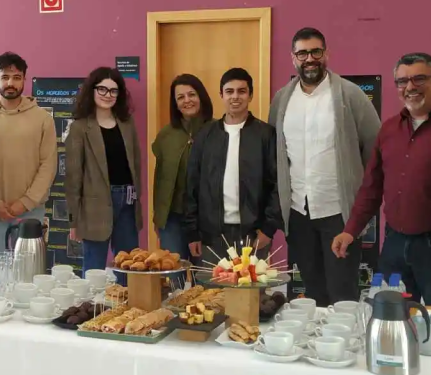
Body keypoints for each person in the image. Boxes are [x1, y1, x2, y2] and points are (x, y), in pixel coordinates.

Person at [331, 53, 431, 315]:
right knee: (389, 317)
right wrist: (350, 230)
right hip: (394, 245)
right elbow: (372, 186)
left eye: (419, 79)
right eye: (402, 81)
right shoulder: (389, 129)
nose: (410, 87)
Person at [269, 27, 381, 307]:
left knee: (342, 293)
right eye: (302, 53)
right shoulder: (282, 100)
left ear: (326, 54)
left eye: (316, 51)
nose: (310, 58)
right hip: (298, 212)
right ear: (293, 58)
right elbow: (275, 153)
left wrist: (361, 198)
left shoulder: (350, 95)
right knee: (312, 291)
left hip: (339, 213)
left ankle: (345, 335)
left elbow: (375, 150)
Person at [184, 68, 281, 265]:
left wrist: (268, 229)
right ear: (221, 95)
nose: (235, 96)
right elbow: (192, 184)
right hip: (211, 235)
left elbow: (277, 184)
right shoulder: (205, 135)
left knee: (251, 285)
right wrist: (192, 231)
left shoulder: (266, 135)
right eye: (229, 91)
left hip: (253, 234)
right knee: (213, 286)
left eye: (241, 91)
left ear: (250, 95)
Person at [0, 52, 57, 260]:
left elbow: (48, 165)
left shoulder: (43, 119)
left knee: (29, 273)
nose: (10, 83)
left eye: (16, 77)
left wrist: (25, 202)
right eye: (5, 77)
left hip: (31, 212)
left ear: (24, 80)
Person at [65, 67, 141, 279]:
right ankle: (93, 303)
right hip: (94, 207)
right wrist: (74, 220)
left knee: (129, 266)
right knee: (94, 271)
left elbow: (136, 165)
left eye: (113, 91)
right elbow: (73, 177)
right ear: (92, 90)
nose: (108, 95)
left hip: (127, 202)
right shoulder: (80, 127)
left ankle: (127, 301)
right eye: (102, 89)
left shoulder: (127, 124)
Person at [152, 74, 214, 266]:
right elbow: (160, 178)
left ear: (201, 96)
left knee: (205, 275)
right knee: (173, 274)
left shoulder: (218, 131)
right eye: (180, 97)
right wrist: (158, 217)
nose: (187, 100)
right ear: (175, 104)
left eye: (191, 94)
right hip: (172, 218)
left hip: (207, 219)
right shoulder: (166, 135)